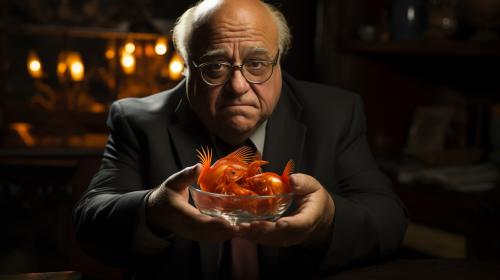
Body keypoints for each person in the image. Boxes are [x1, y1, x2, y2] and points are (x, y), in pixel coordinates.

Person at [73, 0, 408, 279]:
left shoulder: (336, 113)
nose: (237, 86)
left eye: (257, 64)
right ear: (186, 68)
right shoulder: (137, 121)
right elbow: (90, 225)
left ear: (279, 63)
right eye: (215, 67)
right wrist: (154, 213)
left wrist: (326, 220)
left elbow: (389, 222)